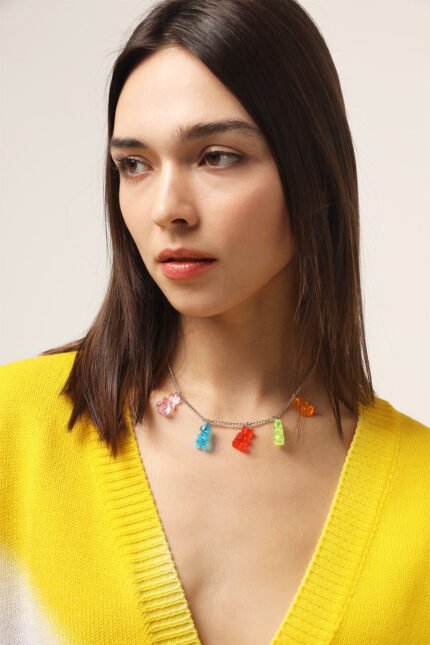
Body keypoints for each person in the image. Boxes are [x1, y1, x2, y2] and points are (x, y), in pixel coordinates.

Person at [0, 0, 428, 643]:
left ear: (313, 175)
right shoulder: (14, 434)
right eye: (135, 164)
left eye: (217, 157)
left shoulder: (419, 499)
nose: (167, 208)